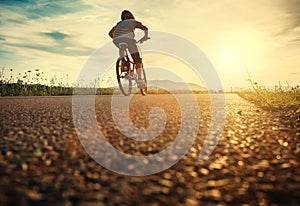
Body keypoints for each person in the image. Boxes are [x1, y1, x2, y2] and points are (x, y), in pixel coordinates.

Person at [108, 10, 149, 87]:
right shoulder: (133, 21)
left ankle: (124, 63)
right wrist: (145, 37)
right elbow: (145, 28)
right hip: (129, 41)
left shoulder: (118, 24)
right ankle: (140, 79)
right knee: (137, 59)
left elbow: (110, 33)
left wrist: (116, 38)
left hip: (117, 40)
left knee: (122, 47)